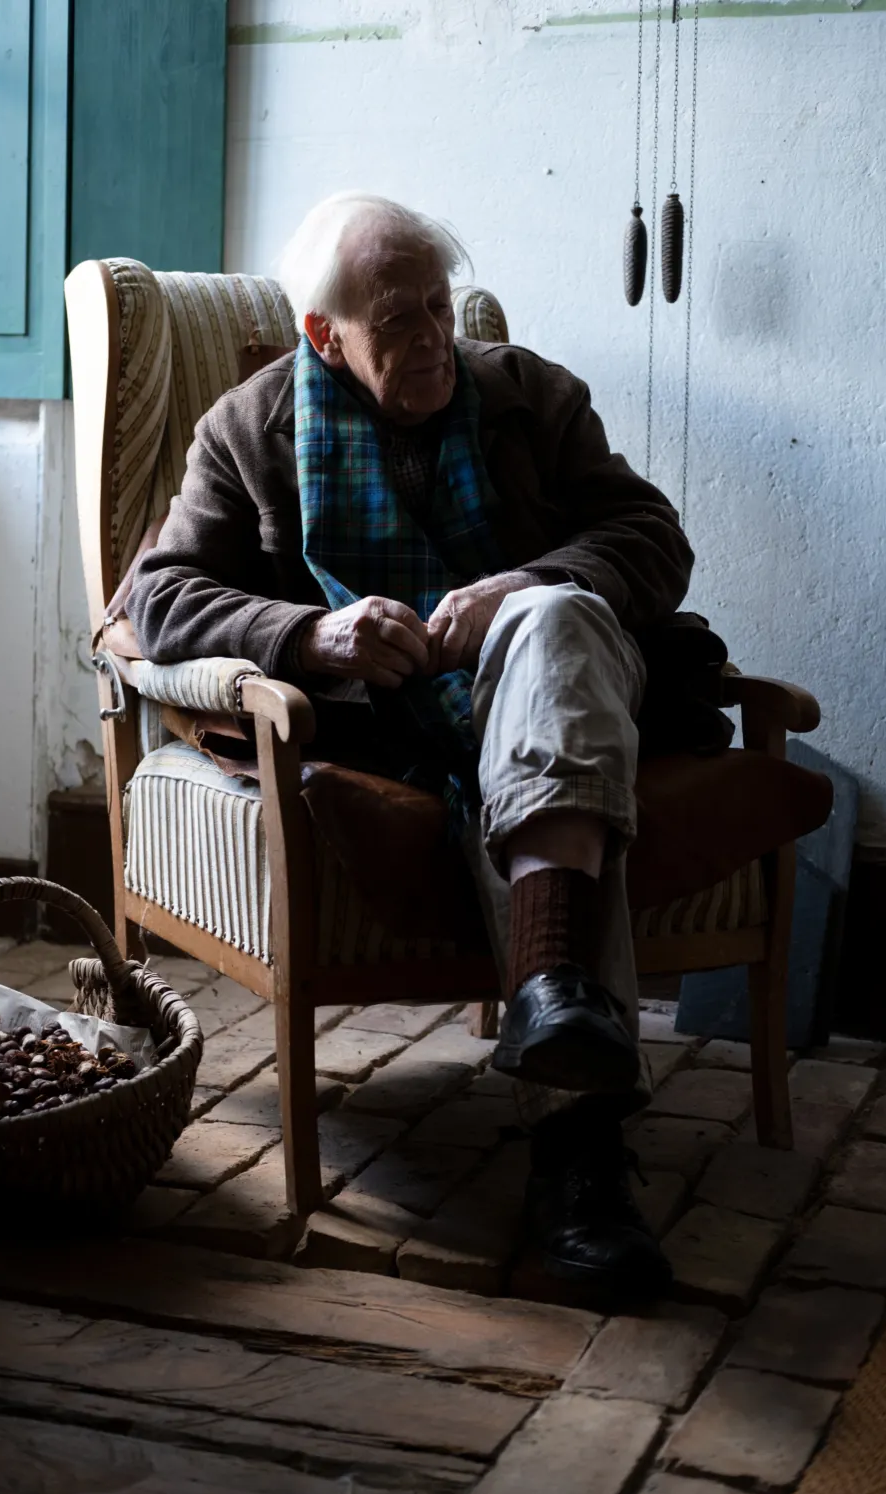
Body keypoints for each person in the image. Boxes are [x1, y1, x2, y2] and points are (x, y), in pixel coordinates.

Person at [128, 192, 698, 1303]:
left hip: (569, 683)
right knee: (550, 777)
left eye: (439, 304)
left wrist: (529, 584)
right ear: (324, 336)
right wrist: (310, 633)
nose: (435, 335)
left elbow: (652, 537)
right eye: (398, 319)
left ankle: (556, 1021)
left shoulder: (526, 394)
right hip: (399, 729)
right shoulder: (247, 431)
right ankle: (578, 1137)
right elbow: (159, 597)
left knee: (554, 622)